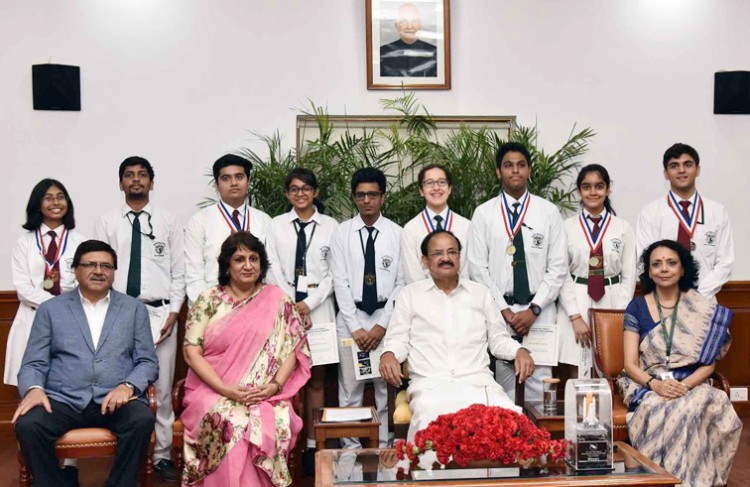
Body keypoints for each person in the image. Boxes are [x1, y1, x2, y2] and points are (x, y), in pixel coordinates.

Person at [13, 240, 159, 487]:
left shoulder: (134, 309)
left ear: (113, 272)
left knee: (141, 419)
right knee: (29, 425)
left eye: (106, 266)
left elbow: (147, 361)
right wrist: (34, 389)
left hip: (114, 399)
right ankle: (57, 482)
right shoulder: (51, 309)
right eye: (90, 264)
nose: (99, 271)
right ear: (75, 269)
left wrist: (128, 386)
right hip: (63, 399)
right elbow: (33, 363)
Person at [181, 232, 311, 487]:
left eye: (254, 259)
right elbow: (191, 352)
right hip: (212, 389)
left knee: (265, 421)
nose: (248, 265)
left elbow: (292, 349)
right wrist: (225, 389)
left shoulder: (277, 299)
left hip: (265, 392)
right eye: (239, 259)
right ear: (227, 265)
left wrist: (274, 386)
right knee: (231, 421)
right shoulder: (208, 300)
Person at [380, 230, 535, 441]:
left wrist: (520, 350)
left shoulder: (481, 294)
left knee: (507, 419)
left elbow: (498, 340)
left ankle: (496, 476)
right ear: (425, 261)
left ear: (459, 258)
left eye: (452, 252)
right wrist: (388, 354)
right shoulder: (410, 295)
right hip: (431, 385)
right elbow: (397, 339)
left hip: (477, 383)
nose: (446, 258)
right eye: (438, 253)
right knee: (429, 418)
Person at [617, 240, 741, 487]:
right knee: (670, 408)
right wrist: (657, 386)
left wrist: (683, 386)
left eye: (671, 263)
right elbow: (630, 364)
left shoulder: (701, 307)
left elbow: (709, 365)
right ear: (649, 271)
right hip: (647, 383)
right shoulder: (637, 306)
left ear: (683, 269)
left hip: (692, 382)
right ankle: (666, 480)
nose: (664, 269)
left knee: (700, 404)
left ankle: (691, 480)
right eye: (656, 264)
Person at [93, 156, 185, 482]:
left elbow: (179, 272)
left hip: (161, 314)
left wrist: (174, 312)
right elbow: (98, 270)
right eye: (129, 175)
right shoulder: (106, 222)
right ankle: (126, 452)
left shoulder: (169, 221)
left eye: (142, 175)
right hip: (118, 314)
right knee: (119, 384)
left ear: (151, 182)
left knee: (160, 387)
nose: (136, 180)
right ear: (120, 183)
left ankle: (161, 456)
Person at [467, 142, 567, 401]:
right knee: (504, 387)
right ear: (499, 172)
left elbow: (557, 267)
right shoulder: (484, 213)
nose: (515, 171)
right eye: (508, 165)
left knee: (540, 386)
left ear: (529, 170)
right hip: (501, 312)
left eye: (521, 165)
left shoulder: (548, 212)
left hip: (540, 312)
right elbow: (478, 268)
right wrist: (505, 311)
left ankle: (538, 442)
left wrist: (534, 309)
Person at [265, 168, 338, 471]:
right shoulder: (276, 225)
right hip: (284, 308)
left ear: (316, 192)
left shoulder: (331, 226)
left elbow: (336, 272)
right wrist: (292, 305)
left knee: (317, 379)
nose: (300, 194)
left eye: (306, 188)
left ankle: (312, 446)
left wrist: (309, 303)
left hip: (319, 307)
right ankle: (286, 445)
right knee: (287, 379)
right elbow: (270, 266)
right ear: (287, 194)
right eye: (294, 189)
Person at [330, 167, 405, 448]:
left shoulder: (397, 234)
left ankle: (384, 447)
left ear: (382, 197)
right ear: (354, 198)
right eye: (360, 195)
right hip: (352, 319)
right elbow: (339, 281)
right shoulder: (342, 233)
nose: (366, 200)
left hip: (387, 319)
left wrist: (381, 325)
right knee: (350, 390)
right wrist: (357, 327)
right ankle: (350, 450)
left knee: (386, 389)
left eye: (372, 194)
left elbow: (401, 282)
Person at [4, 179, 86, 386]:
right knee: (32, 384)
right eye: (48, 198)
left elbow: (85, 284)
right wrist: (56, 305)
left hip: (70, 319)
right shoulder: (24, 243)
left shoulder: (80, 242)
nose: (55, 202)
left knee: (67, 382)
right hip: (33, 317)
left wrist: (65, 306)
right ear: (37, 204)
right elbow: (23, 289)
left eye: (60, 197)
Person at [557, 165, 636, 378]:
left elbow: (629, 276)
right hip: (577, 296)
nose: (593, 192)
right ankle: (581, 412)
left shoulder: (622, 228)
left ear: (608, 189)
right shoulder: (566, 227)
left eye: (599, 186)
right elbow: (561, 273)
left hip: (611, 297)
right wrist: (575, 316)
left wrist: (618, 315)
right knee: (578, 368)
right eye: (587, 187)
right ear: (579, 191)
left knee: (609, 368)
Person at [636, 143, 733, 301]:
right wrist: (668, 293)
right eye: (674, 166)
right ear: (666, 174)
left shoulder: (717, 212)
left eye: (687, 164)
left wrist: (698, 295)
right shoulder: (650, 213)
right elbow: (643, 260)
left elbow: (725, 262)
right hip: (663, 301)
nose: (681, 170)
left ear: (698, 169)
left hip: (705, 300)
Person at [184, 154, 272, 306]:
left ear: (248, 181)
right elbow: (194, 274)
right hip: (213, 310)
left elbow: (270, 271)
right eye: (226, 178)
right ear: (217, 185)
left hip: (257, 308)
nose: (233, 183)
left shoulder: (265, 221)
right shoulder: (200, 221)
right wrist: (211, 309)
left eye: (239, 177)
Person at [400, 164, 471, 284]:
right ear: (421, 191)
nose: (436, 188)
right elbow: (412, 275)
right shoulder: (411, 229)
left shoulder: (466, 226)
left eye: (442, 182)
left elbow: (467, 270)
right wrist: (431, 298)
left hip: (460, 298)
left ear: (449, 188)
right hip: (423, 298)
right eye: (429, 183)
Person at [380, 3, 437, 77]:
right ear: (396, 25)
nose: (409, 27)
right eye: (403, 21)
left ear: (420, 25)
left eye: (414, 21)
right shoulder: (382, 52)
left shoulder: (435, 52)